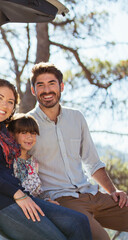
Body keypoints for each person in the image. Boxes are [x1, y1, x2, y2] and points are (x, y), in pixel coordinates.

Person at [0, 79, 91, 240]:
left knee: (79, 222)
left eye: (10, 102)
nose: (4, 105)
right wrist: (17, 194)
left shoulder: (4, 134)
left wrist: (33, 197)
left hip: (18, 194)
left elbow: (11, 174)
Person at [28, 62, 128, 240]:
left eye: (52, 83)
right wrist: (42, 200)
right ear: (33, 90)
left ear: (61, 87)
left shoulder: (76, 117)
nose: (46, 90)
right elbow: (21, 169)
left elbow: (93, 162)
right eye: (40, 85)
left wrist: (112, 191)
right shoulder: (27, 124)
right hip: (62, 200)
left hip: (91, 193)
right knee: (102, 238)